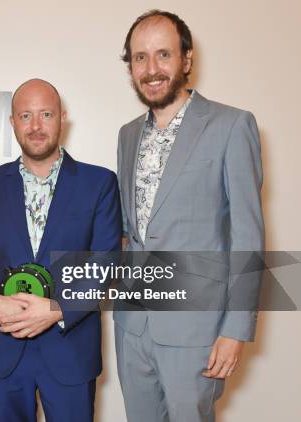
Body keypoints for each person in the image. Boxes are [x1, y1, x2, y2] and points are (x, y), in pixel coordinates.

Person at [114, 10, 265, 422]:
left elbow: (248, 238)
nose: (152, 69)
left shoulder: (232, 126)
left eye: (163, 54)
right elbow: (132, 232)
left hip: (195, 330)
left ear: (187, 59)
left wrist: (235, 330)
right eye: (140, 58)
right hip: (132, 328)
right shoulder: (128, 135)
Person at [0, 78, 121, 422]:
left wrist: (56, 308)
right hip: (2, 348)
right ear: (12, 122)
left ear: (62, 117)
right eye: (25, 116)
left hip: (70, 350)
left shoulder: (99, 183)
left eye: (46, 114)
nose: (35, 126)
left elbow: (106, 263)